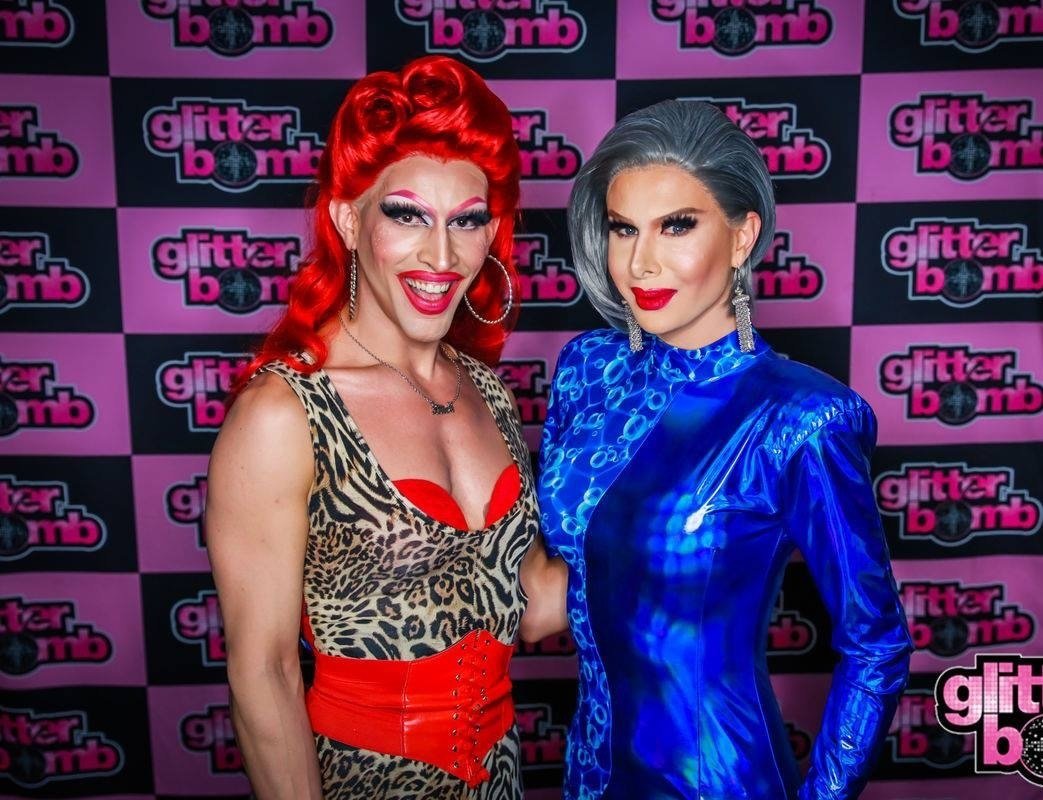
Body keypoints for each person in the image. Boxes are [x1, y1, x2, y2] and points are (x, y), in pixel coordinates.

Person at [205, 55, 559, 800]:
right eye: (407, 215)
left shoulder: (489, 394)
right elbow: (262, 674)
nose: (441, 255)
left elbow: (530, 608)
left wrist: (682, 504)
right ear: (347, 219)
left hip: (500, 782)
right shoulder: (284, 413)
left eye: (466, 222)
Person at [538, 100, 913, 800]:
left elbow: (876, 644)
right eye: (622, 229)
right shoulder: (587, 368)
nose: (640, 261)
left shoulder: (801, 418)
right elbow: (561, 584)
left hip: (715, 777)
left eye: (676, 225)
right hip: (588, 773)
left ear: (742, 237)